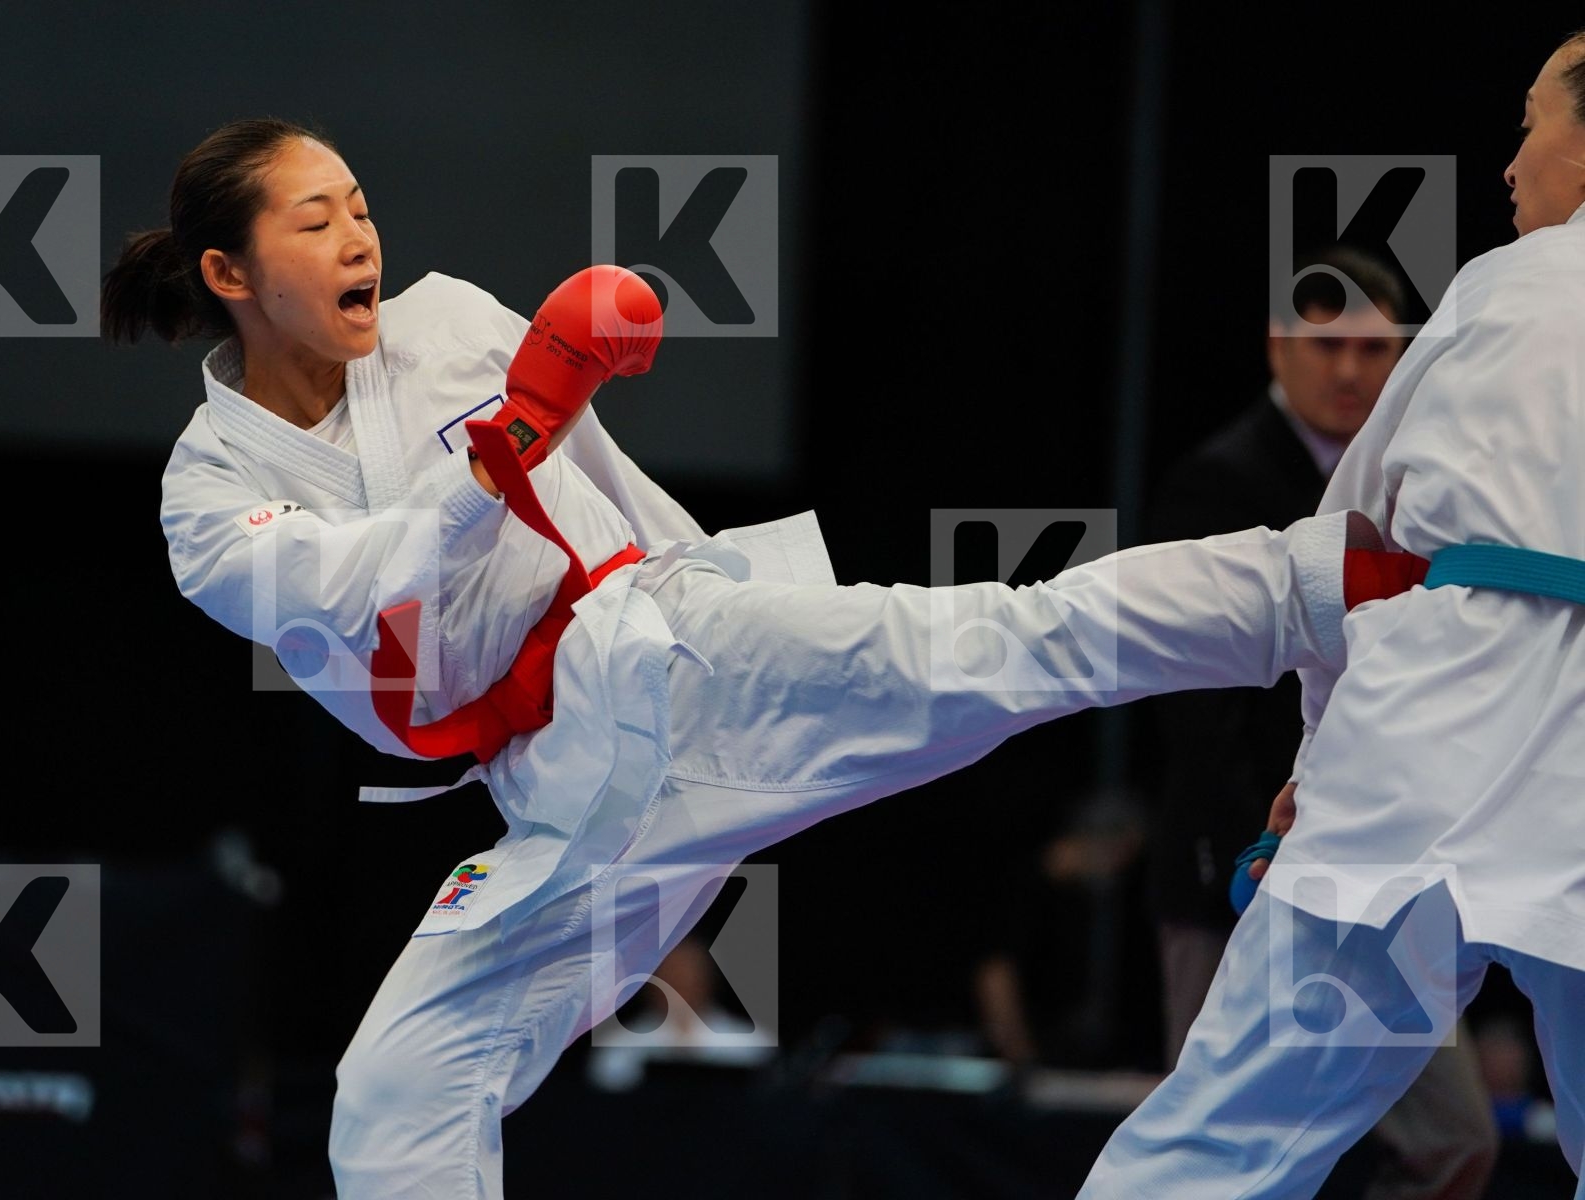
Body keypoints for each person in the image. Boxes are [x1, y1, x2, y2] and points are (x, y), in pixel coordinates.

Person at [105, 118, 1409, 1198]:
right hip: (558, 791)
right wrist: (503, 445)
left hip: (676, 651)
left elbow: (602, 475)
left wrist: (692, 580)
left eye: (362, 205)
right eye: (317, 219)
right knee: (395, 1088)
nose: (361, 238)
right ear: (229, 272)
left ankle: (1314, 578)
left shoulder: (445, 321)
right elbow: (360, 583)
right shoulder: (209, 499)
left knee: (1009, 640)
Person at [1081, 28, 1585, 1197]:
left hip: (1425, 745)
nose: (1511, 164)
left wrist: (1319, 753)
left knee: (1221, 1143)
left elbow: (1351, 556)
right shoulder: (1486, 291)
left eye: (1530, 122)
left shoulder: (1499, 288)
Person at [1142, 247, 1497, 1198]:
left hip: (1386, 863)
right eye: (1328, 345)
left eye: (1377, 348)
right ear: (1278, 347)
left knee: (1455, 1141)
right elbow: (1192, 712)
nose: (1351, 371)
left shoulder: (1433, 488)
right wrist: (1247, 856)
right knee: (1221, 1149)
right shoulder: (1211, 486)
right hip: (1242, 861)